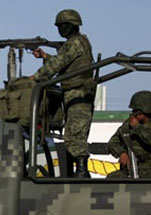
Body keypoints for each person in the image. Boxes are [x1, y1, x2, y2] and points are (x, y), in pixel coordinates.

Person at [30, 9, 95, 178]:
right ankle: (78, 171)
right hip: (74, 93)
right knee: (72, 134)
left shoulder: (74, 43)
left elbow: (57, 65)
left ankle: (82, 171)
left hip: (78, 94)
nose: (60, 29)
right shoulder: (77, 42)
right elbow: (65, 64)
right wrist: (45, 56)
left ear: (71, 26)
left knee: (75, 134)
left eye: (62, 26)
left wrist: (34, 78)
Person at [107, 91, 151, 178]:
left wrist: (137, 127)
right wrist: (121, 153)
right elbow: (113, 142)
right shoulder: (128, 124)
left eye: (136, 111)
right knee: (112, 179)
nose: (133, 113)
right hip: (131, 170)